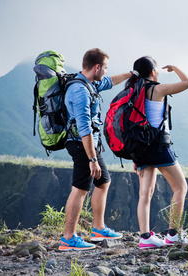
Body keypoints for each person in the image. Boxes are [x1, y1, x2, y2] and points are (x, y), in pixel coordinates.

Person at [59, 48, 132, 251]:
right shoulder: (80, 90)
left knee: (103, 181)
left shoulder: (90, 83)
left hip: (89, 144)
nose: (107, 72)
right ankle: (68, 239)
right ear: (97, 67)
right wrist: (92, 159)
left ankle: (98, 229)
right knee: (81, 189)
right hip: (81, 144)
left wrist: (131, 74)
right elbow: (84, 127)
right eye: (105, 68)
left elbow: (110, 81)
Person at [126, 56, 188, 249]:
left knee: (144, 194)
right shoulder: (157, 88)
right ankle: (173, 234)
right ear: (153, 72)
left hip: (140, 148)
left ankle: (145, 237)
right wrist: (175, 67)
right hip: (159, 147)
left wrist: (135, 155)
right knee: (181, 187)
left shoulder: (133, 91)